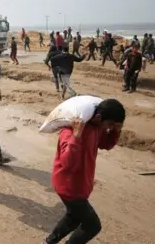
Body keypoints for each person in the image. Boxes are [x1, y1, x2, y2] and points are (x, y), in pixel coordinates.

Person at [44, 99, 125, 244]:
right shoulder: (70, 132)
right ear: (100, 118)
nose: (109, 128)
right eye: (110, 124)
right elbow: (67, 164)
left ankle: (49, 242)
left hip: (80, 185)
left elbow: (105, 144)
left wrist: (115, 131)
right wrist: (76, 136)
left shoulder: (96, 128)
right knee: (92, 226)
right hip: (69, 187)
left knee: (73, 217)